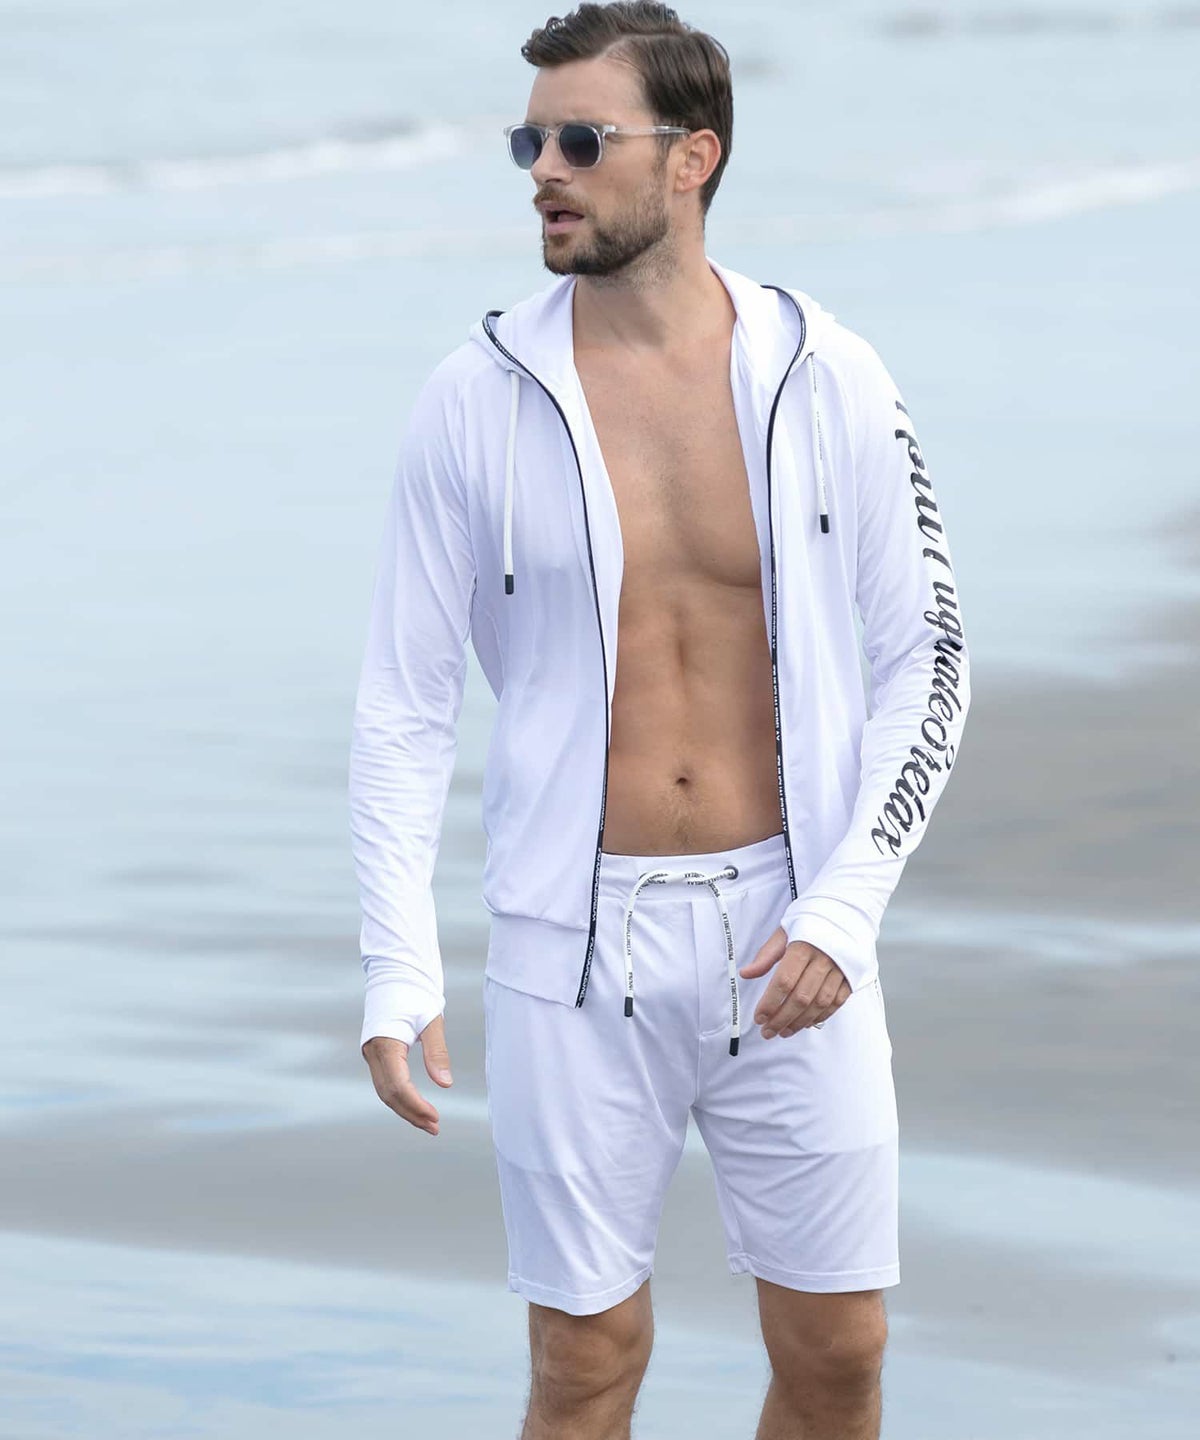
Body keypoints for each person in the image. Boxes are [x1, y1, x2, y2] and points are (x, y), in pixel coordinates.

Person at [348, 3, 970, 1436]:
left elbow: (926, 658)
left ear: (694, 159)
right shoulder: (475, 399)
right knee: (584, 1363)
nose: (544, 174)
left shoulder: (830, 374)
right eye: (528, 143)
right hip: (571, 948)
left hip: (792, 932)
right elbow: (405, 701)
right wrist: (397, 964)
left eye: (582, 140)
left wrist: (846, 909)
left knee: (840, 1355)